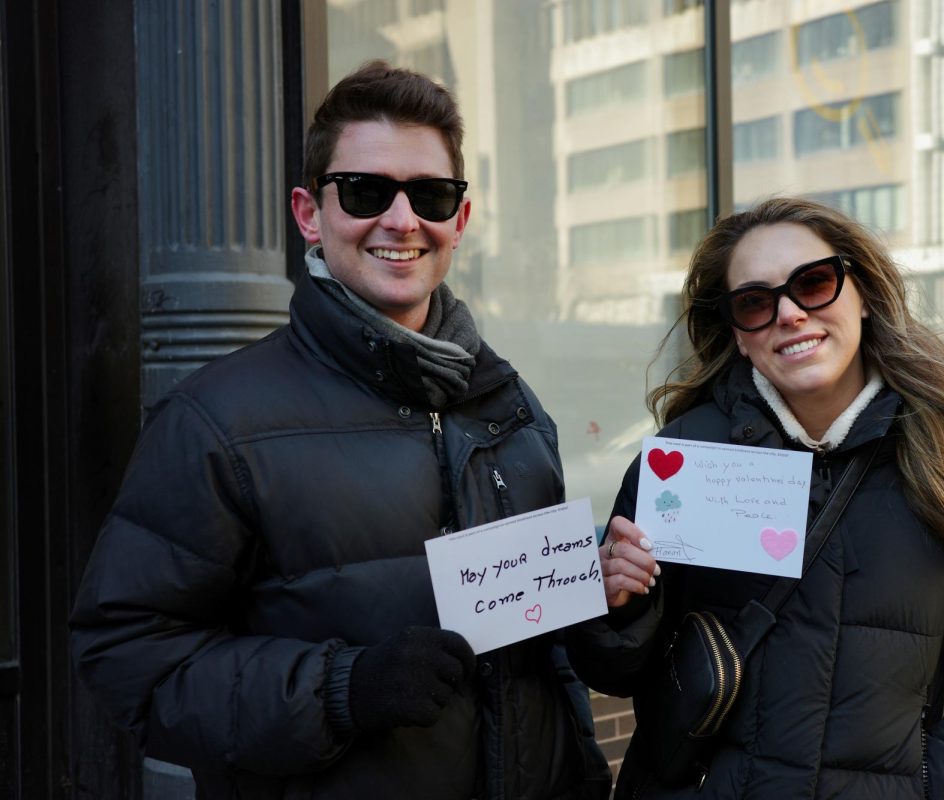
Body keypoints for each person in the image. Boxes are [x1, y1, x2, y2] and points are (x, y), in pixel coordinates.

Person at [70, 61, 610, 800]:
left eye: (430, 194)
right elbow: (128, 654)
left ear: (460, 218)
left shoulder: (509, 401)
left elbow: (547, 650)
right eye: (365, 191)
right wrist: (341, 689)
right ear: (307, 213)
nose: (400, 219)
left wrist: (608, 593)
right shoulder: (214, 420)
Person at [566, 197, 944, 799]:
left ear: (862, 295)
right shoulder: (681, 459)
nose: (788, 313)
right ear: (738, 334)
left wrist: (939, 787)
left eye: (814, 283)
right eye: (755, 301)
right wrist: (619, 606)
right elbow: (613, 670)